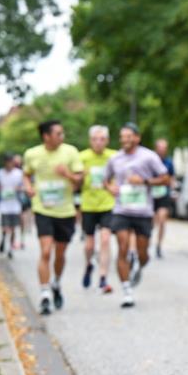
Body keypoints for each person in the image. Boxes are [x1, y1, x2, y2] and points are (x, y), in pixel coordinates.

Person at [104, 122, 169, 308]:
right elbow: (105, 180)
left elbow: (165, 179)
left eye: (128, 136)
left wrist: (145, 181)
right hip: (121, 210)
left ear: (137, 138)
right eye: (122, 136)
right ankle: (126, 291)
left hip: (143, 211)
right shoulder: (115, 159)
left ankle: (139, 264)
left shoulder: (149, 157)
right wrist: (110, 188)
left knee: (143, 253)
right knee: (122, 247)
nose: (124, 140)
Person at [23, 120, 84, 315]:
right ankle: (45, 294)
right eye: (58, 133)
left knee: (60, 254)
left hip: (65, 210)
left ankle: (56, 282)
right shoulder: (32, 154)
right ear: (46, 136)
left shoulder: (70, 152)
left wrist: (67, 174)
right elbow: (26, 174)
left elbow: (80, 179)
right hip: (43, 208)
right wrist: (28, 187)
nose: (62, 137)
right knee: (46, 251)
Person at [79, 125, 117, 293]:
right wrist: (80, 176)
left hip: (107, 204)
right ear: (90, 141)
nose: (98, 143)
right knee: (89, 245)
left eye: (102, 139)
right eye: (95, 139)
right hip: (88, 205)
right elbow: (75, 182)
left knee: (106, 240)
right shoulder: (82, 157)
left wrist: (113, 187)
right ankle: (88, 265)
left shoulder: (114, 157)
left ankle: (103, 277)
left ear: (107, 141)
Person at [0, 154, 24, 258]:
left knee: (13, 228)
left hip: (15, 205)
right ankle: (3, 240)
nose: (9, 164)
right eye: (7, 162)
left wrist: (17, 189)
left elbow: (23, 186)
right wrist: (0, 190)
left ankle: (10, 248)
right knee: (5, 227)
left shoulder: (19, 173)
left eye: (11, 162)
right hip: (4, 205)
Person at [152, 138, 175, 258]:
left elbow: (172, 178)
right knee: (151, 221)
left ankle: (159, 245)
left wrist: (173, 191)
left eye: (164, 148)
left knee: (162, 220)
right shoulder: (150, 161)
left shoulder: (169, 162)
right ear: (156, 149)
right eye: (160, 148)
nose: (162, 150)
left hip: (164, 194)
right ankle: (146, 241)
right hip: (150, 195)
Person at [13, 153, 32, 249]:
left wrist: (23, 188)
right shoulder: (8, 172)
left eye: (18, 161)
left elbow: (29, 184)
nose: (17, 163)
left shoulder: (25, 171)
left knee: (22, 219)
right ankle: (13, 241)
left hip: (22, 199)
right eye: (15, 161)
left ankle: (21, 240)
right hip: (12, 200)